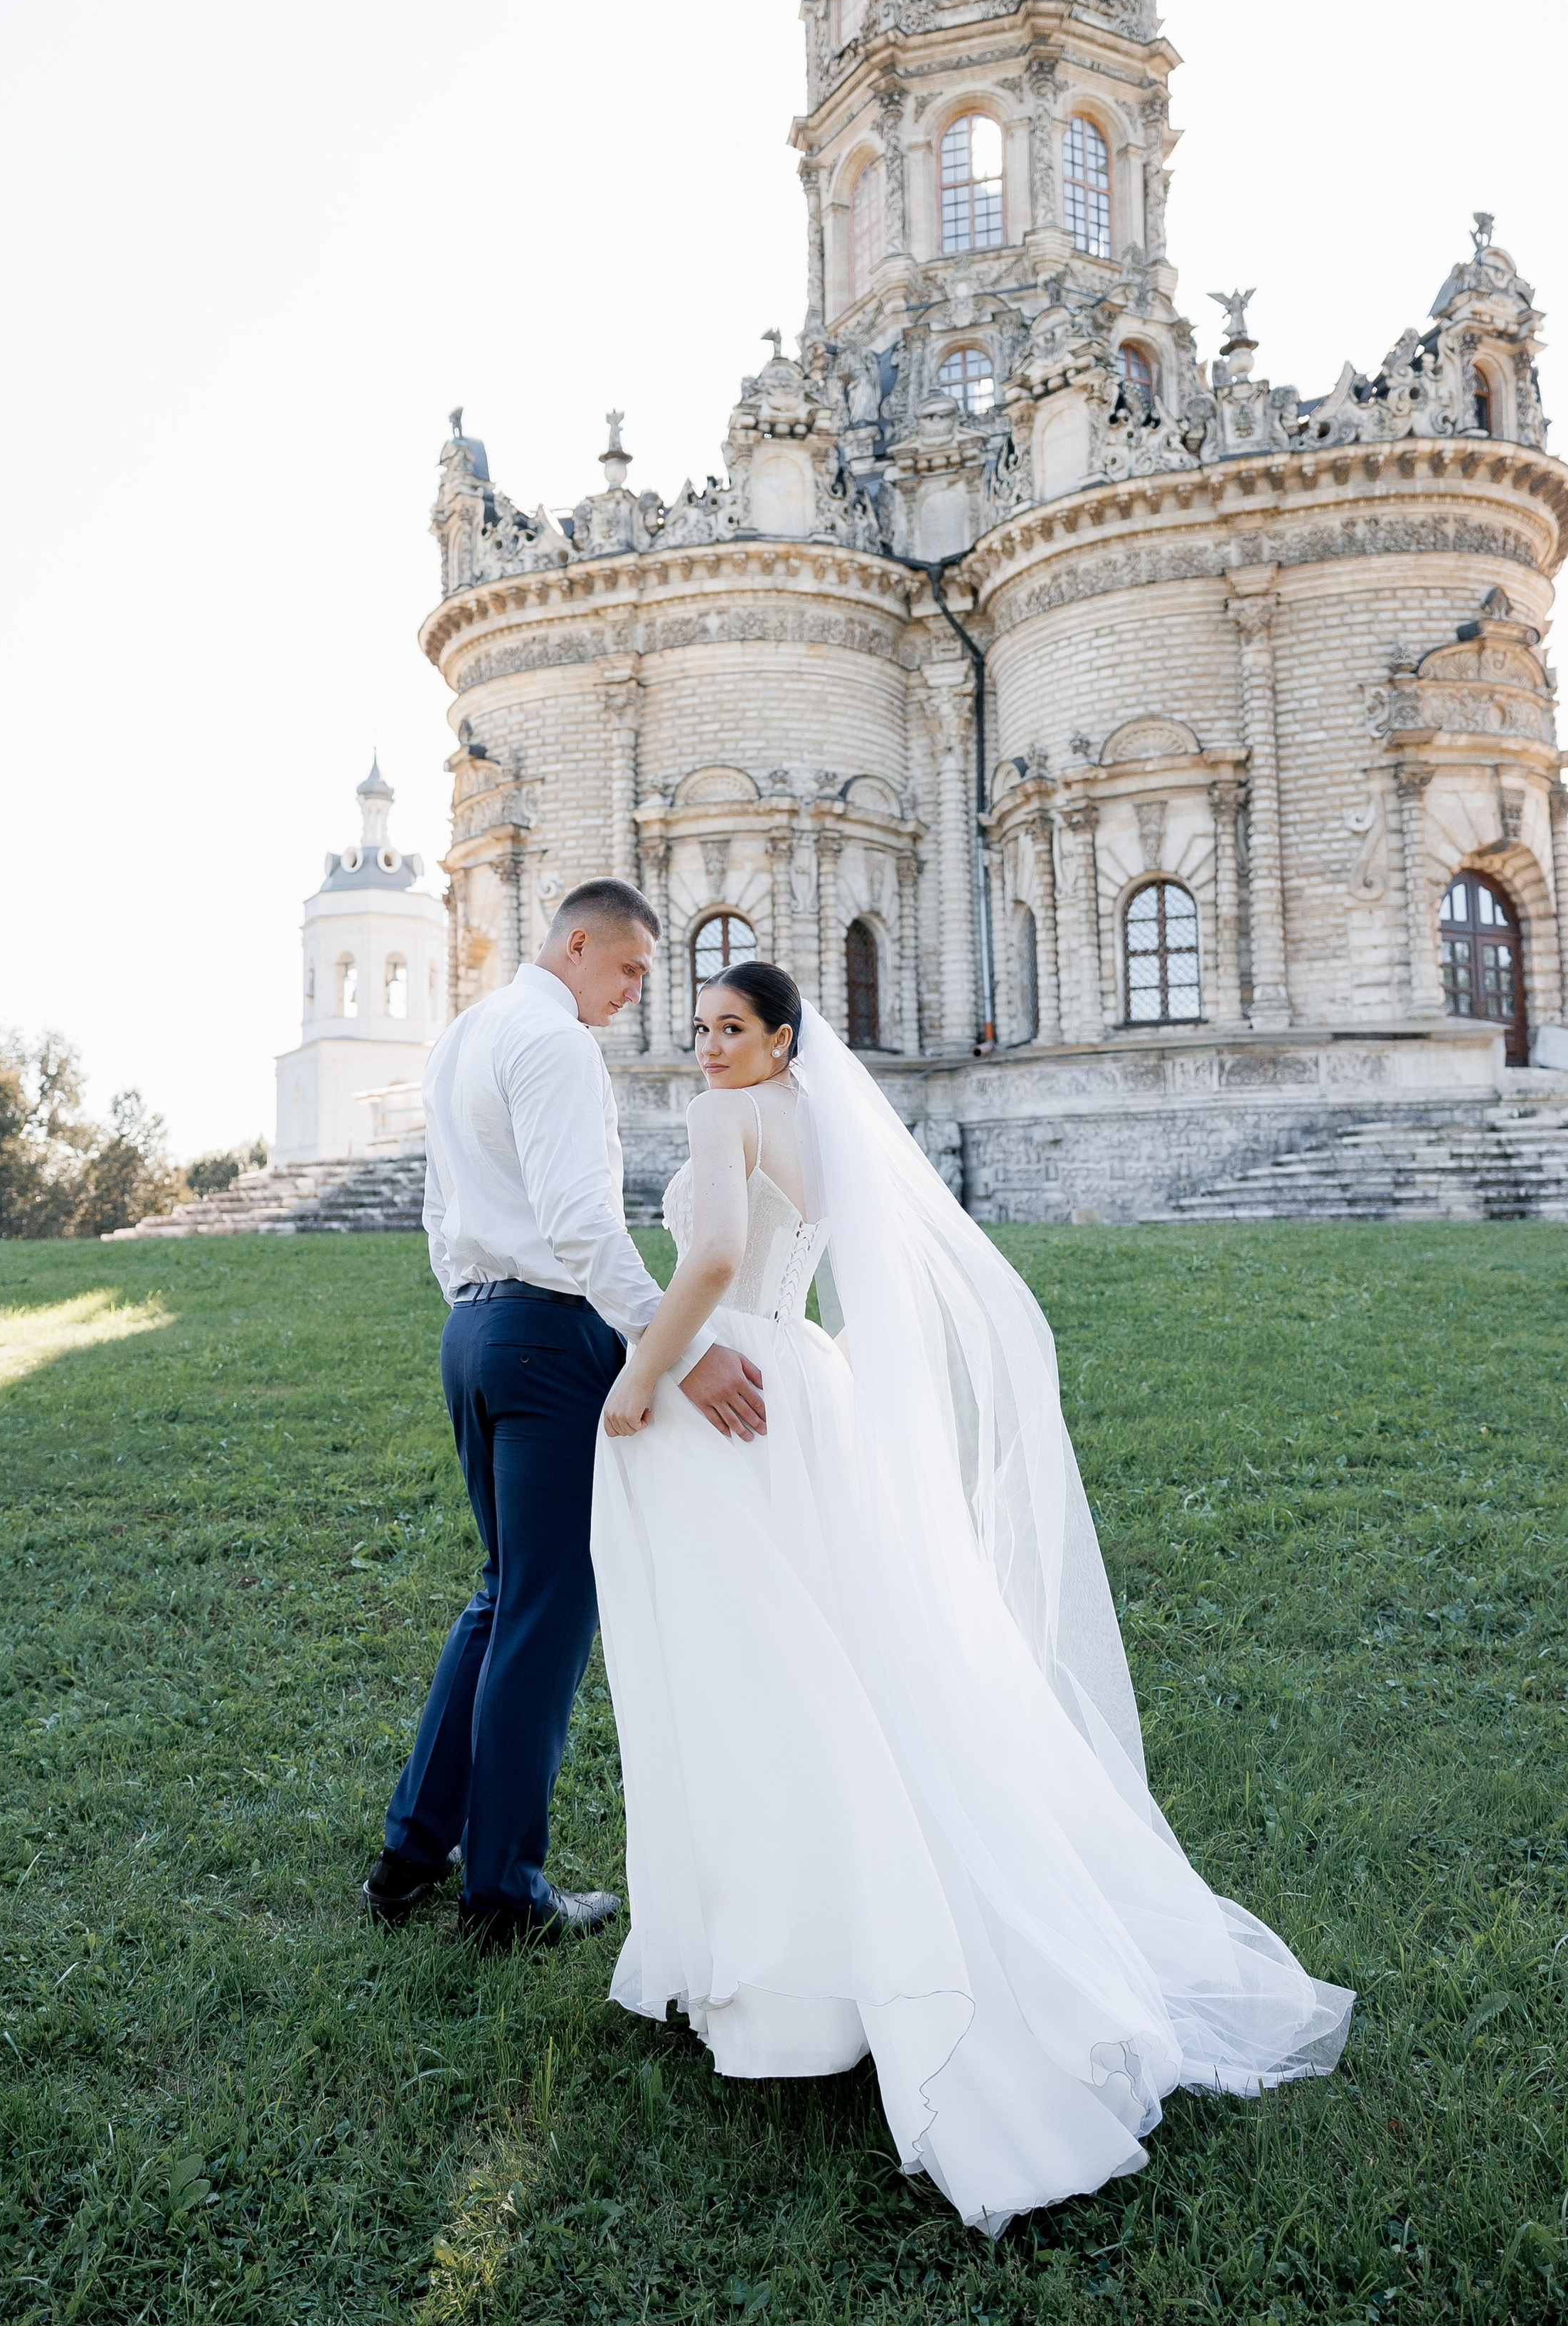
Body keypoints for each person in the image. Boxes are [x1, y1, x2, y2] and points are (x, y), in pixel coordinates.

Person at [590, 962, 1353, 2236]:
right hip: (810, 1390)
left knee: (748, 1676)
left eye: (735, 1029)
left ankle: (797, 1976)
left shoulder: (729, 1119)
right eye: (703, 1028)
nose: (710, 1048)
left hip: (734, 1403)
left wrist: (638, 1380)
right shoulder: (824, 1120)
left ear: (784, 1040)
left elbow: (717, 1253)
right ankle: (830, 1956)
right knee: (837, 1669)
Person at [363, 879, 769, 1950]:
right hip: (544, 1336)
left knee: (505, 1596)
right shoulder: (553, 1045)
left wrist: (473, 1314)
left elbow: (443, 1208)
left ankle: (414, 1853)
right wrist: (669, 1345)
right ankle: (501, 1893)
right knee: (547, 1609)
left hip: (475, 1333)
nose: (637, 993)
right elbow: (582, 1224)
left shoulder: (465, 1035)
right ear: (578, 944)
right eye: (631, 969)